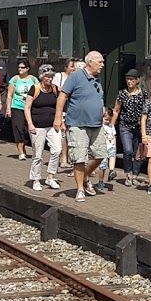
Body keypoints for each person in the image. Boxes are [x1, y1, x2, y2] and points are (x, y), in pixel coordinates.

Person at [58, 50, 110, 200]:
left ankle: (85, 177)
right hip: (77, 124)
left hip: (96, 124)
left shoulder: (97, 79)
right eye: (100, 62)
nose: (102, 65)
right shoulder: (76, 76)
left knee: (101, 155)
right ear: (90, 62)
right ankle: (80, 189)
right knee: (79, 158)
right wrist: (58, 118)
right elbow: (63, 96)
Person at [25, 64, 63, 190]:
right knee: (38, 154)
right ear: (42, 77)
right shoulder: (34, 89)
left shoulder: (55, 89)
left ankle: (50, 177)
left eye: (51, 76)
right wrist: (30, 124)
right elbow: (27, 107)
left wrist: (60, 120)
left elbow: (60, 105)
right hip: (37, 125)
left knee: (57, 149)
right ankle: (36, 179)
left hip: (52, 125)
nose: (50, 79)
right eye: (47, 77)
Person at [110, 69, 147, 186]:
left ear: (137, 80)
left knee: (138, 153)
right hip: (125, 126)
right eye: (128, 79)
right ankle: (128, 174)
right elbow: (116, 110)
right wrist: (111, 126)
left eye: (132, 79)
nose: (129, 82)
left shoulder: (143, 94)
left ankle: (135, 175)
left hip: (138, 127)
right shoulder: (122, 94)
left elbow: (146, 112)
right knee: (128, 150)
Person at [6, 60, 39, 160]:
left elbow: (38, 92)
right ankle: (21, 152)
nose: (20, 69)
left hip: (30, 108)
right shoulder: (14, 80)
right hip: (17, 107)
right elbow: (9, 95)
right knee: (18, 129)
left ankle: (34, 150)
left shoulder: (34, 80)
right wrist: (8, 108)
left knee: (29, 130)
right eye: (19, 67)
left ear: (27, 69)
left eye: (22, 67)